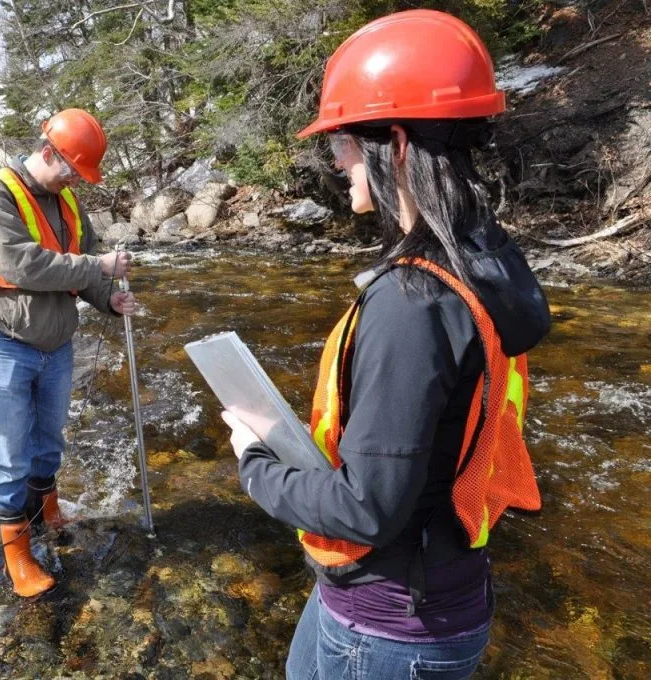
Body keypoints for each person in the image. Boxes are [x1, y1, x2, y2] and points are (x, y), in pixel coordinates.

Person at [220, 10, 551, 678]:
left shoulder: (412, 303)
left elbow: (365, 509)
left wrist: (254, 461)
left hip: (394, 628)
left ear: (394, 143)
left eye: (342, 140)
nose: (337, 158)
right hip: (407, 595)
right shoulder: (485, 259)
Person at [0, 108, 137, 597]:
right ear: (47, 153)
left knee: (48, 442)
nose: (74, 181)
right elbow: (21, 265)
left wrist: (109, 298)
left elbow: (85, 267)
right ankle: (16, 554)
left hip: (56, 343)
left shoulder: (68, 204)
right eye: (72, 170)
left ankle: (47, 509)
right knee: (8, 454)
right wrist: (98, 266)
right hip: (3, 343)